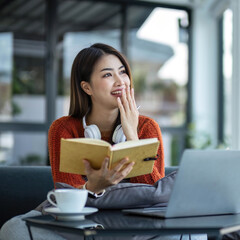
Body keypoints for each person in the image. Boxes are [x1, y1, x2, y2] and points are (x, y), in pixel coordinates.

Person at [49, 43, 165, 195]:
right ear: (87, 88)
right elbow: (66, 194)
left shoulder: (147, 127)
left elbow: (156, 193)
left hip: (134, 217)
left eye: (122, 72)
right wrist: (94, 187)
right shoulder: (63, 129)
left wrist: (133, 139)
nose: (120, 82)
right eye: (107, 75)